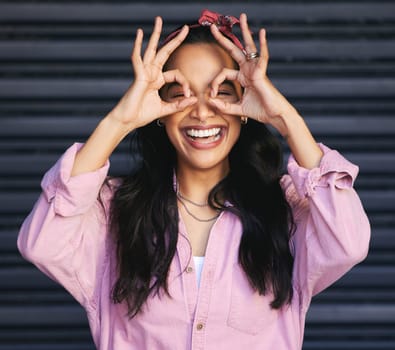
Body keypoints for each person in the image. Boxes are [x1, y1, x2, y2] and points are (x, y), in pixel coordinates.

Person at [17, 9, 370, 350]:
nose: (202, 111)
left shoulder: (288, 210)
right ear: (159, 109)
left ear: (246, 106)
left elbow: (349, 242)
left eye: (222, 91)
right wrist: (119, 122)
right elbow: (41, 244)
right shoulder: (111, 211)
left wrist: (284, 117)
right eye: (181, 93)